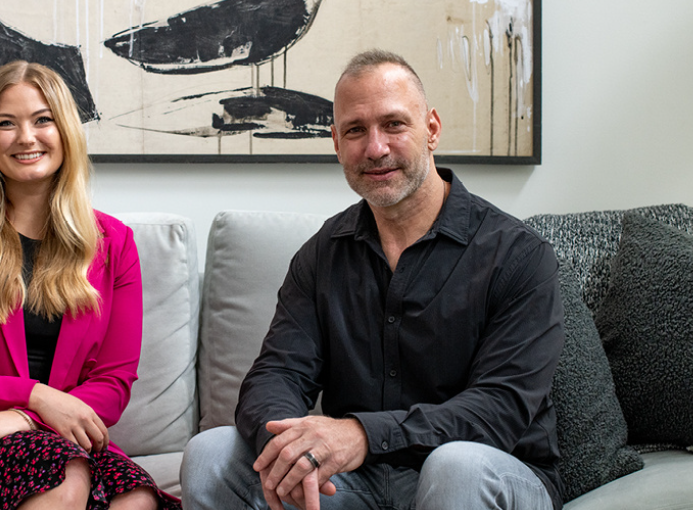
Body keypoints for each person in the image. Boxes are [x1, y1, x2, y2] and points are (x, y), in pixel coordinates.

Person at [180, 49, 565, 510]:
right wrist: (292, 444)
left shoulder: (520, 255)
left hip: (489, 473)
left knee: (455, 466)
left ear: (432, 129)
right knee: (211, 454)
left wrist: (362, 434)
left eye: (394, 124)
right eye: (356, 130)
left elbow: (499, 411)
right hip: (353, 484)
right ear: (336, 143)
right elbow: (277, 374)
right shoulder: (322, 254)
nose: (375, 148)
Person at [0, 61, 181, 510]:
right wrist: (35, 396)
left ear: (66, 132)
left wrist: (24, 417)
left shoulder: (113, 243)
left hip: (55, 434)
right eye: (6, 124)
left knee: (137, 497)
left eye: (43, 120)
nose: (26, 137)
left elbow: (113, 382)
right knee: (65, 476)